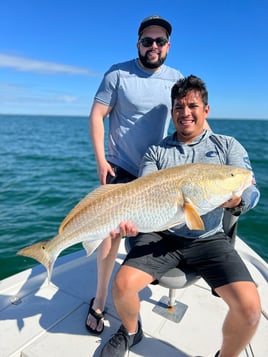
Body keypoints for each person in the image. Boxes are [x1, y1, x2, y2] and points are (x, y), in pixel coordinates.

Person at [99, 75, 261, 357]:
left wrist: (237, 201)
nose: (185, 113)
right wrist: (129, 223)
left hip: (209, 238)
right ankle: (132, 331)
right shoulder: (156, 151)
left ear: (206, 110)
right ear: (172, 112)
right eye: (178, 107)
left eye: (192, 106)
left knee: (250, 309)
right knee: (122, 285)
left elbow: (250, 186)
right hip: (163, 234)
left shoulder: (227, 146)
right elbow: (144, 192)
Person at [86, 15, 194, 334]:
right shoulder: (117, 73)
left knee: (148, 234)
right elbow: (96, 116)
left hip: (158, 174)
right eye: (147, 41)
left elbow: (191, 119)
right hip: (120, 166)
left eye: (160, 41)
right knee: (110, 235)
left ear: (168, 46)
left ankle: (131, 290)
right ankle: (101, 299)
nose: (154, 46)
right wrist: (100, 160)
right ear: (138, 44)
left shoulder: (176, 79)